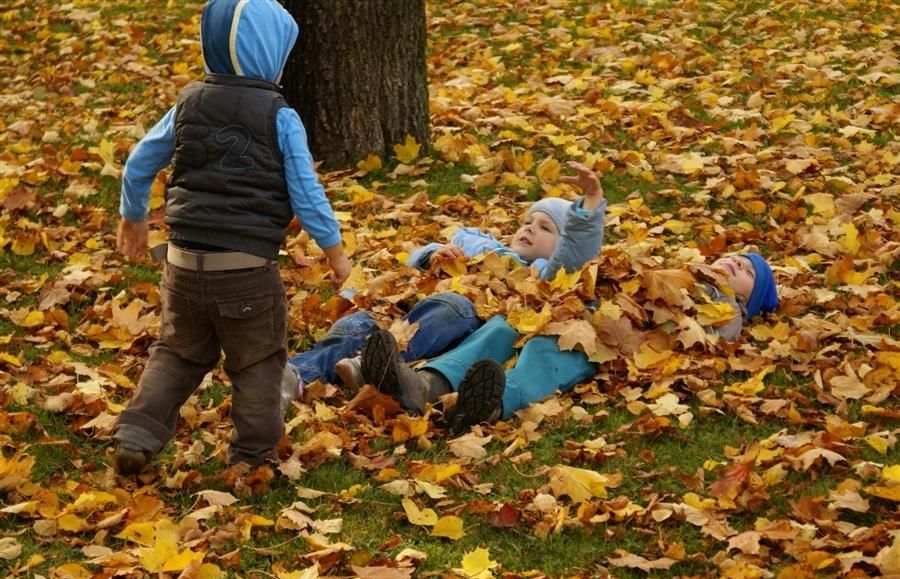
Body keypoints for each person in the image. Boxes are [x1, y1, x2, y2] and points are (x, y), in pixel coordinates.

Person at [113, 0, 351, 476]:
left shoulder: (188, 101)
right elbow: (306, 192)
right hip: (245, 275)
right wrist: (337, 254)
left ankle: (137, 432)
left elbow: (140, 161)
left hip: (182, 267)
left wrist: (132, 216)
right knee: (258, 361)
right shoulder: (281, 115)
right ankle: (251, 457)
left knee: (178, 352)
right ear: (271, 54)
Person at [285, 161, 608, 408]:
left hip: (453, 309)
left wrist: (590, 203)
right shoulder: (485, 244)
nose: (530, 229)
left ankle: (368, 364)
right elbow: (414, 262)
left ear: (560, 246)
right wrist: (432, 255)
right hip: (405, 302)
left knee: (449, 311)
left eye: (545, 228)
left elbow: (574, 255)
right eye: (527, 222)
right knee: (359, 324)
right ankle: (294, 376)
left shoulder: (538, 274)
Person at [360, 251, 779, 434]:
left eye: (745, 271)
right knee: (504, 328)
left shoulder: (726, 310)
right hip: (582, 311)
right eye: (736, 256)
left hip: (613, 341)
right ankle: (426, 385)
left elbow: (707, 338)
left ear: (747, 298)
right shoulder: (677, 272)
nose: (734, 262)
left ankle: (490, 402)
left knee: (550, 353)